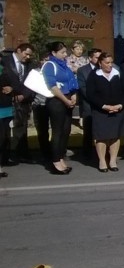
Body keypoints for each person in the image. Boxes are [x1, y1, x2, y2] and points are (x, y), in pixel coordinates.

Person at [86, 53, 124, 173]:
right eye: (107, 63)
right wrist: (104, 106)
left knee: (115, 135)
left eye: (111, 62)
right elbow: (90, 94)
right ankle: (102, 161)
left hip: (118, 110)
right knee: (101, 137)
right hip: (100, 111)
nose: (110, 65)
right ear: (100, 63)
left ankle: (112, 160)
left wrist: (120, 105)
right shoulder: (94, 75)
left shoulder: (118, 73)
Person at [42, 41, 80, 175]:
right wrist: (65, 100)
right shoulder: (49, 65)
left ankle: (60, 157)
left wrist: (73, 96)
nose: (65, 55)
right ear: (54, 53)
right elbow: (52, 86)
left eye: (65, 52)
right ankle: (55, 161)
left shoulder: (65, 66)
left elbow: (72, 82)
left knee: (66, 130)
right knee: (57, 131)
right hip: (57, 100)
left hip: (68, 98)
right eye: (62, 52)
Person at [1, 43, 35, 165]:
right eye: (26, 54)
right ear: (19, 50)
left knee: (21, 129)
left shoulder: (30, 65)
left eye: (30, 55)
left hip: (22, 101)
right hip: (6, 100)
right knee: (4, 131)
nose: (28, 57)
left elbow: (32, 82)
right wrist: (11, 91)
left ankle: (22, 154)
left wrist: (24, 95)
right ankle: (5, 157)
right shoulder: (5, 61)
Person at [76, 48, 101, 159]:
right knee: (88, 131)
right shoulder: (82, 70)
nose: (99, 60)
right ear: (90, 58)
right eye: (97, 57)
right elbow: (83, 88)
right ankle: (87, 154)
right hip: (88, 105)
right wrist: (96, 100)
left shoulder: (105, 68)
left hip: (103, 105)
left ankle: (102, 153)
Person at [0, 62, 15, 179]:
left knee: (5, 137)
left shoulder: (5, 68)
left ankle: (3, 160)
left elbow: (16, 83)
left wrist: (11, 88)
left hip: (6, 108)